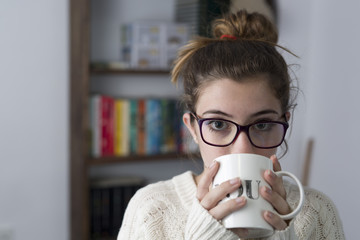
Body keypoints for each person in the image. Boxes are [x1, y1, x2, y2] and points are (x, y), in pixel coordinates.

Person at [118, 10, 345, 239]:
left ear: (284, 123)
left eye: (263, 125)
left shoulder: (316, 213)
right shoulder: (151, 209)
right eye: (218, 124)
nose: (242, 149)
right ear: (193, 128)